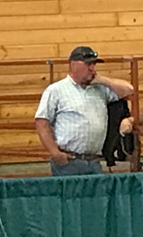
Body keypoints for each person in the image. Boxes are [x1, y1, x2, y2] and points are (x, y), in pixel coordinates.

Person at [35, 46, 134, 176]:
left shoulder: (101, 89)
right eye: (88, 64)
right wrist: (55, 153)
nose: (92, 68)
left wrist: (102, 80)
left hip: (94, 160)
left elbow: (129, 90)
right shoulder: (56, 91)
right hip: (68, 160)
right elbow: (41, 122)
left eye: (93, 64)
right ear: (73, 64)